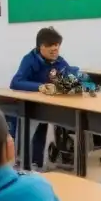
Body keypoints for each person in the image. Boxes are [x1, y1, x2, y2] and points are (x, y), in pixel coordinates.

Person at [10, 27, 79, 168]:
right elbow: (16, 82)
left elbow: (69, 76)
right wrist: (40, 87)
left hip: (49, 106)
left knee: (42, 133)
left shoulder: (59, 61)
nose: (55, 51)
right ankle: (22, 164)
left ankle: (38, 164)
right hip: (29, 106)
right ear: (41, 47)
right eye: (51, 48)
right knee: (31, 134)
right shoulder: (30, 60)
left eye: (57, 47)